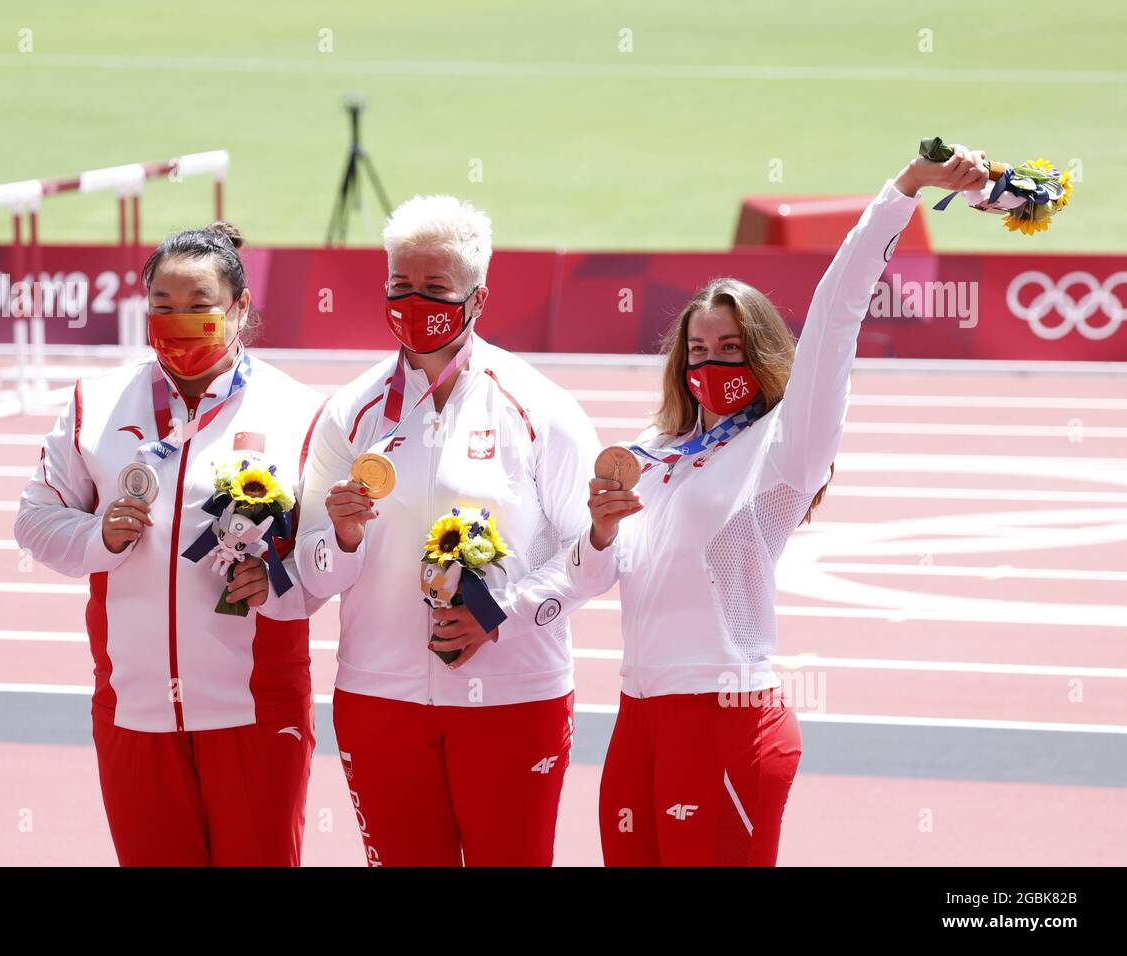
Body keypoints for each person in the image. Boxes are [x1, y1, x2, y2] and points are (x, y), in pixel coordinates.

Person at [569, 145, 991, 866]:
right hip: (637, 716)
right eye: (697, 350)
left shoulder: (785, 447)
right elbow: (588, 581)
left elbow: (837, 313)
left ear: (761, 351)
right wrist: (600, 535)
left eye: (731, 347)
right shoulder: (655, 452)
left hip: (727, 719)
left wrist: (904, 189)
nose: (712, 365)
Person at [295, 195, 602, 866]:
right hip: (381, 696)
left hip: (514, 696)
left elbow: (601, 552)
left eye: (434, 290)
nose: (412, 304)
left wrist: (499, 613)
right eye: (399, 287)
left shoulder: (540, 407)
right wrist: (342, 538)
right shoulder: (351, 413)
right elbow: (311, 581)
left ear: (478, 298)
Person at [14, 222, 327, 866]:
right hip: (136, 707)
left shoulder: (300, 410)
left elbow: (334, 551)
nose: (178, 321)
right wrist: (97, 536)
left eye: (199, 306)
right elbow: (34, 521)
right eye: (162, 305)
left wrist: (281, 578)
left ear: (240, 307)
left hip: (255, 710)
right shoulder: (94, 405)